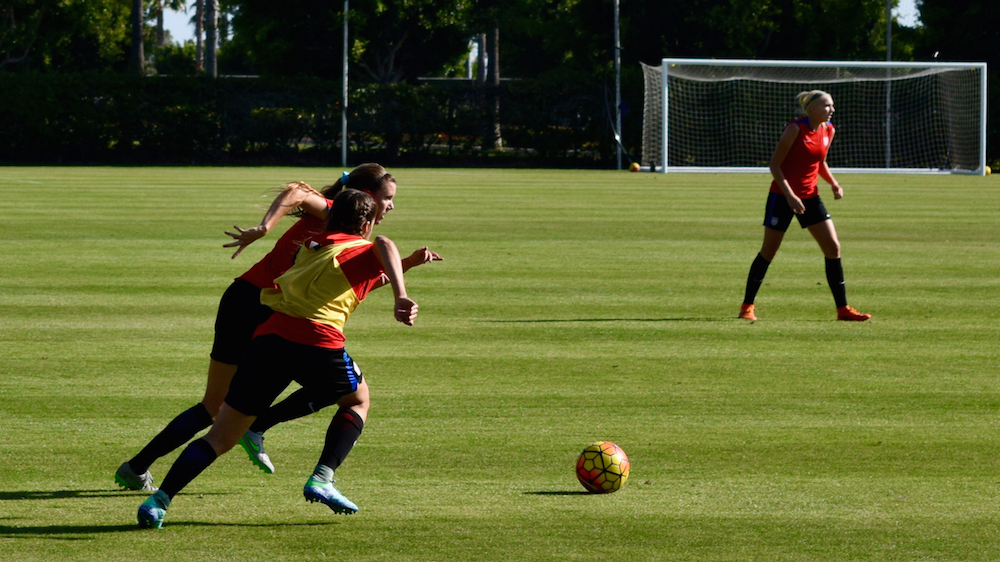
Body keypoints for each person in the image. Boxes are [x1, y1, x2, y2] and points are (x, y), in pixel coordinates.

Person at [115, 164, 438, 490]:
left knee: (214, 405)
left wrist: (407, 264)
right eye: (388, 198)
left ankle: (137, 467)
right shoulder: (335, 214)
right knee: (338, 387)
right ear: (367, 196)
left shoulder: (342, 228)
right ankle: (261, 429)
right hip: (266, 308)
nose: (392, 206)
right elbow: (297, 191)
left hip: (243, 300)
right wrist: (264, 228)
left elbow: (358, 281)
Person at [739, 90, 870, 322]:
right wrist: (790, 196)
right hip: (782, 197)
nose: (832, 110)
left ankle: (843, 310)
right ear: (811, 109)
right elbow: (775, 165)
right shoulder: (795, 129)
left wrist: (834, 183)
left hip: (810, 197)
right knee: (769, 251)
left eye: (832, 105)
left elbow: (820, 162)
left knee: (833, 248)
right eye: (827, 106)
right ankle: (747, 306)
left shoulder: (829, 130)